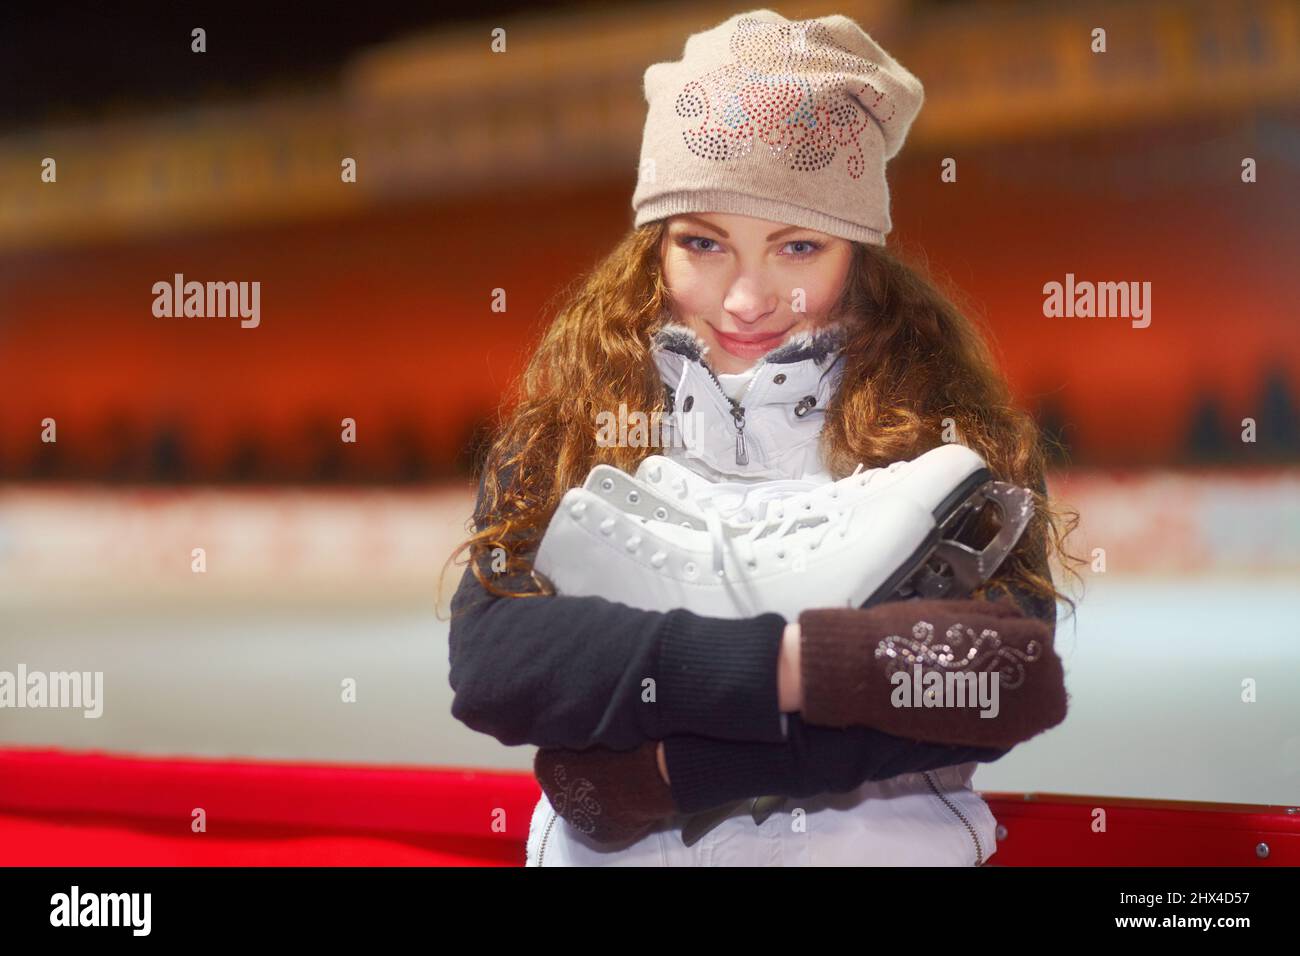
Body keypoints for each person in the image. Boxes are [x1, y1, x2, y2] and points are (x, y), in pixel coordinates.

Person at [443, 8, 1082, 866]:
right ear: (654, 246)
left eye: (797, 247)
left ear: (855, 250)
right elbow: (498, 666)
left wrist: (674, 771)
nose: (747, 300)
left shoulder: (946, 432)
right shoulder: (572, 424)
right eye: (703, 242)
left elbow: (995, 685)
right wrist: (806, 664)